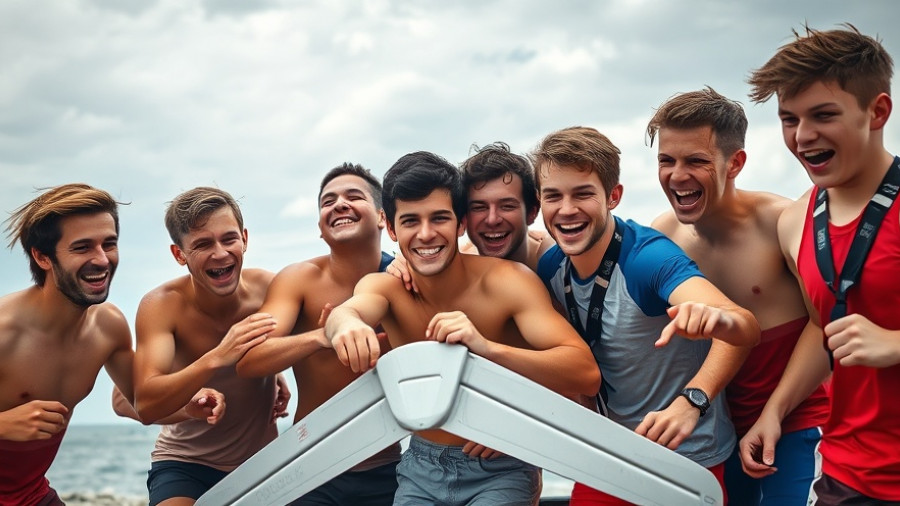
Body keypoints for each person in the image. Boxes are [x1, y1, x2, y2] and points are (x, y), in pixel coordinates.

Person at [325, 151, 602, 506]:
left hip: (501, 464)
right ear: (390, 228)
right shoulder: (385, 287)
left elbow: (585, 372)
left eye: (439, 218)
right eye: (410, 221)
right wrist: (345, 324)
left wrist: (485, 348)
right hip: (420, 465)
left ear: (460, 223)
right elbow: (350, 310)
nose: (426, 234)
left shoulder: (510, 281)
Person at [531, 126, 760, 505]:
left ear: (613, 196)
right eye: (554, 196)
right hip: (609, 454)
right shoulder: (553, 266)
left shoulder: (646, 258)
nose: (567, 209)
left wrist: (693, 401)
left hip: (685, 459)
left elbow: (743, 326)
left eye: (583, 194)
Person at [647, 87, 829, 505]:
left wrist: (774, 413)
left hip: (799, 421)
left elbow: (824, 323)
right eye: (666, 160)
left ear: (736, 163)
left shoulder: (781, 221)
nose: (676, 175)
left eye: (696, 161)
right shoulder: (665, 236)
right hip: (719, 435)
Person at [742, 24, 900, 504]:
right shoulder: (795, 221)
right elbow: (822, 322)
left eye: (823, 115)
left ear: (877, 111)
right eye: (789, 119)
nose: (803, 136)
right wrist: (775, 410)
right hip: (845, 475)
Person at [0, 184, 220, 506]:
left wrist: (189, 408)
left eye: (109, 244)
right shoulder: (5, 331)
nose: (102, 260)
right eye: (82, 248)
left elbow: (143, 404)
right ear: (42, 256)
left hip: (31, 496)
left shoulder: (108, 326)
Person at [235, 163, 401, 505]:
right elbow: (248, 360)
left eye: (353, 196)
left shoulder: (404, 278)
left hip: (386, 467)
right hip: (309, 466)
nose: (339, 204)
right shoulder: (299, 279)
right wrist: (318, 338)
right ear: (320, 228)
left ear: (384, 218)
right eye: (328, 201)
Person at [133, 187, 290, 506]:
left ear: (245, 238)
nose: (220, 253)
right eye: (203, 244)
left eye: (228, 238)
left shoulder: (270, 289)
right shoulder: (161, 306)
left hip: (262, 464)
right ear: (179, 254)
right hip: (185, 464)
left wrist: (276, 370)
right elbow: (145, 404)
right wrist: (218, 357)